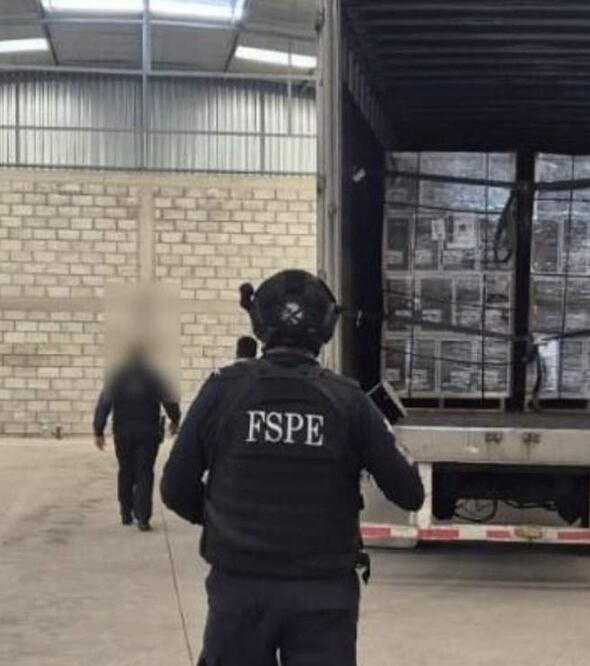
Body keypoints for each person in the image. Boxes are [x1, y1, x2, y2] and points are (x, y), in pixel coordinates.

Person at [161, 269, 424, 666]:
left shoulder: (223, 390)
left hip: (240, 589)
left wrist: (224, 519)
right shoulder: (349, 401)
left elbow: (176, 488)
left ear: (257, 320)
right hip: (324, 594)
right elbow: (409, 492)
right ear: (328, 326)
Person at [93, 345, 181, 531]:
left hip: (123, 432)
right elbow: (170, 402)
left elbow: (104, 403)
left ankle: (126, 514)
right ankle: (143, 518)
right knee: (144, 473)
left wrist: (98, 430)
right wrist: (175, 420)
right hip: (148, 433)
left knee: (125, 471)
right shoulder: (154, 377)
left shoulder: (117, 377)